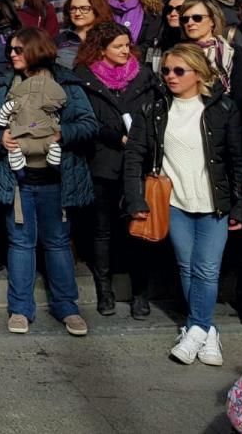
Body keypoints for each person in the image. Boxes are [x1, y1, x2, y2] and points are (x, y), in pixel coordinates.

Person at [125, 43, 242, 366]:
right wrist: (135, 198)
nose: (170, 76)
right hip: (174, 203)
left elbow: (236, 159)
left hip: (214, 203)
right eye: (166, 70)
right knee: (187, 266)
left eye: (179, 70)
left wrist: (239, 206)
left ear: (198, 74)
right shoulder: (154, 109)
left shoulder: (222, 108)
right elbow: (134, 156)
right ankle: (207, 332)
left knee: (207, 269)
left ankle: (195, 329)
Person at [0, 28, 97, 336]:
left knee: (58, 243)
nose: (13, 55)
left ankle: (67, 307)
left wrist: (60, 134)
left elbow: (88, 124)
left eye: (19, 50)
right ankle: (19, 309)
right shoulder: (2, 83)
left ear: (36, 50)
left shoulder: (66, 83)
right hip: (16, 178)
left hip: (57, 179)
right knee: (20, 243)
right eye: (11, 51)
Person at [74, 22, 160, 318]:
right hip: (103, 161)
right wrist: (115, 136)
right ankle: (104, 291)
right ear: (101, 49)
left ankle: (140, 294)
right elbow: (84, 118)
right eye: (118, 46)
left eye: (127, 45)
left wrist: (140, 140)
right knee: (103, 231)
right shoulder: (84, 78)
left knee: (137, 230)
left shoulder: (144, 75)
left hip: (138, 164)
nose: (126, 50)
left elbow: (156, 111)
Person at [179, 0, 242, 99]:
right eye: (185, 19)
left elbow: (240, 95)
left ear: (212, 21)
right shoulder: (177, 53)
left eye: (197, 18)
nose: (190, 23)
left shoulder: (233, 51)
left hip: (224, 112)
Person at [56, 0, 113, 69]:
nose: (77, 13)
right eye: (73, 8)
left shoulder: (109, 37)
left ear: (97, 9)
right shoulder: (61, 39)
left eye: (84, 8)